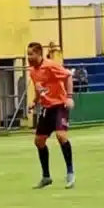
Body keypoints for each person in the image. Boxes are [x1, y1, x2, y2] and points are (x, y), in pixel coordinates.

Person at [27, 41, 75, 189]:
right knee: (39, 141)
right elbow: (39, 88)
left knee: (61, 136)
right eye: (27, 54)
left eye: (31, 54)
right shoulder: (33, 71)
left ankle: (70, 173)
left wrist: (70, 96)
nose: (29, 57)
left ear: (39, 54)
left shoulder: (50, 65)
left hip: (60, 105)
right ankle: (46, 177)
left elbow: (68, 76)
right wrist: (35, 101)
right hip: (47, 108)